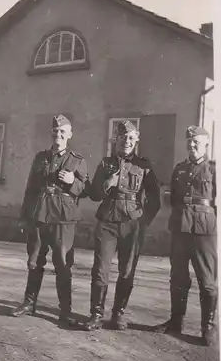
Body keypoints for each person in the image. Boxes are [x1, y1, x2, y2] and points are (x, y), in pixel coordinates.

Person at [83, 120, 160, 331]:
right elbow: (94, 195)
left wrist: (143, 223)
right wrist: (108, 183)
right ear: (116, 140)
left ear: (136, 141)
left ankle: (118, 314)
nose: (127, 141)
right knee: (100, 269)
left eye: (131, 138)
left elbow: (155, 200)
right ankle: (96, 314)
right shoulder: (105, 164)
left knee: (127, 271)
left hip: (132, 224)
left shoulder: (144, 166)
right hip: (107, 223)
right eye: (123, 137)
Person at [12, 114, 88, 326]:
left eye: (63, 131)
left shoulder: (77, 161)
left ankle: (65, 311)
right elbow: (30, 188)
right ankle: (29, 302)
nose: (59, 134)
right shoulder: (40, 158)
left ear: (69, 135)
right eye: (56, 131)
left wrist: (73, 182)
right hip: (39, 214)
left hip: (63, 217)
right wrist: (24, 216)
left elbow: (86, 189)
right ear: (51, 133)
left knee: (62, 263)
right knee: (34, 259)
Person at [155, 126, 218, 346]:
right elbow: (172, 199)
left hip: (204, 230)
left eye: (196, 142)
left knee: (208, 282)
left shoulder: (214, 168)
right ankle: (176, 321)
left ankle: (208, 327)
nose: (192, 146)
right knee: (178, 277)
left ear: (206, 144)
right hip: (181, 228)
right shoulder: (180, 169)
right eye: (189, 142)